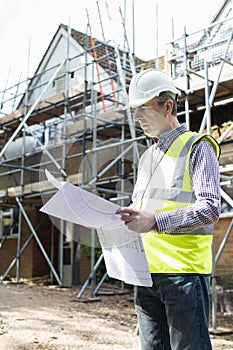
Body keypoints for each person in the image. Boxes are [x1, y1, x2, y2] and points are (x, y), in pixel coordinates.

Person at [116, 69, 221, 350]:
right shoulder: (148, 156)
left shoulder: (197, 147)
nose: (136, 117)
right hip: (146, 273)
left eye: (143, 109)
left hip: (183, 274)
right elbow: (144, 212)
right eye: (134, 110)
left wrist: (154, 221)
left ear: (167, 106)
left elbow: (210, 208)